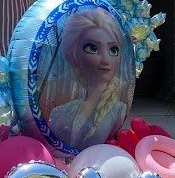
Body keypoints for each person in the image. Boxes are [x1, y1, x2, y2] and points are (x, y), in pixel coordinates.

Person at [45, 8, 128, 150]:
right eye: (92, 48)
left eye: (113, 50)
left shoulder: (118, 111)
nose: (105, 59)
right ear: (73, 54)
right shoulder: (59, 113)